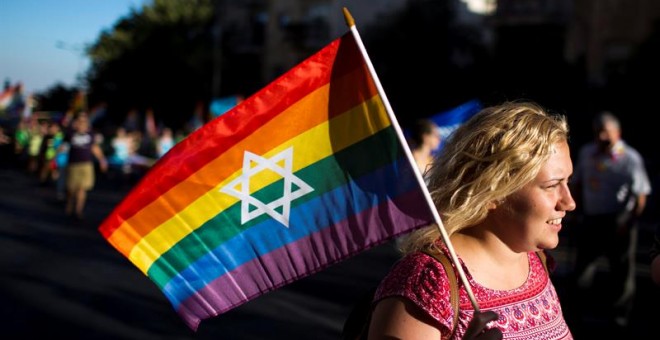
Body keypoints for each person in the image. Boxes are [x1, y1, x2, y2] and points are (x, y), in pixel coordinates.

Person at [367, 101, 575, 339]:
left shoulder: (535, 258)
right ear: (493, 191)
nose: (569, 202)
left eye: (567, 181)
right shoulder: (429, 281)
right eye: (551, 186)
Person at [570, 111, 651, 329]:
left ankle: (620, 320)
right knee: (583, 269)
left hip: (619, 221)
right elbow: (577, 182)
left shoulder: (630, 158)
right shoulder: (587, 153)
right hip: (592, 218)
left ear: (618, 133)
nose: (602, 137)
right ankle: (576, 316)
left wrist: (629, 222)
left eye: (606, 132)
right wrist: (577, 212)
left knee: (622, 272)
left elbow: (640, 194)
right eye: (598, 132)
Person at [62, 113, 108, 220]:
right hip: (73, 164)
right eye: (80, 121)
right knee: (71, 189)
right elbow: (63, 146)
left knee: (82, 189)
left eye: (84, 122)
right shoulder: (70, 134)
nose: (82, 124)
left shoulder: (90, 135)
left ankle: (78, 210)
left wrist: (102, 160)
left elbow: (94, 148)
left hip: (86, 164)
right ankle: (69, 205)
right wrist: (55, 157)